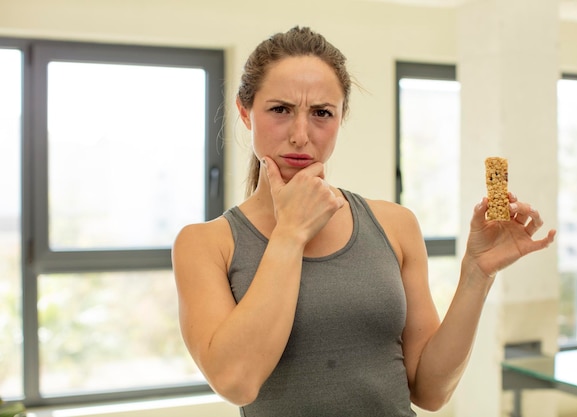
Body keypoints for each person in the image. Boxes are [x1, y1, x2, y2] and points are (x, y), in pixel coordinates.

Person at [172, 26, 557, 417]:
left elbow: (430, 391)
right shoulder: (205, 244)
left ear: (341, 118)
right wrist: (290, 233)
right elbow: (237, 381)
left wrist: (477, 273)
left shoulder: (395, 224)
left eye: (322, 113)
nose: (301, 135)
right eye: (280, 110)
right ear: (244, 111)